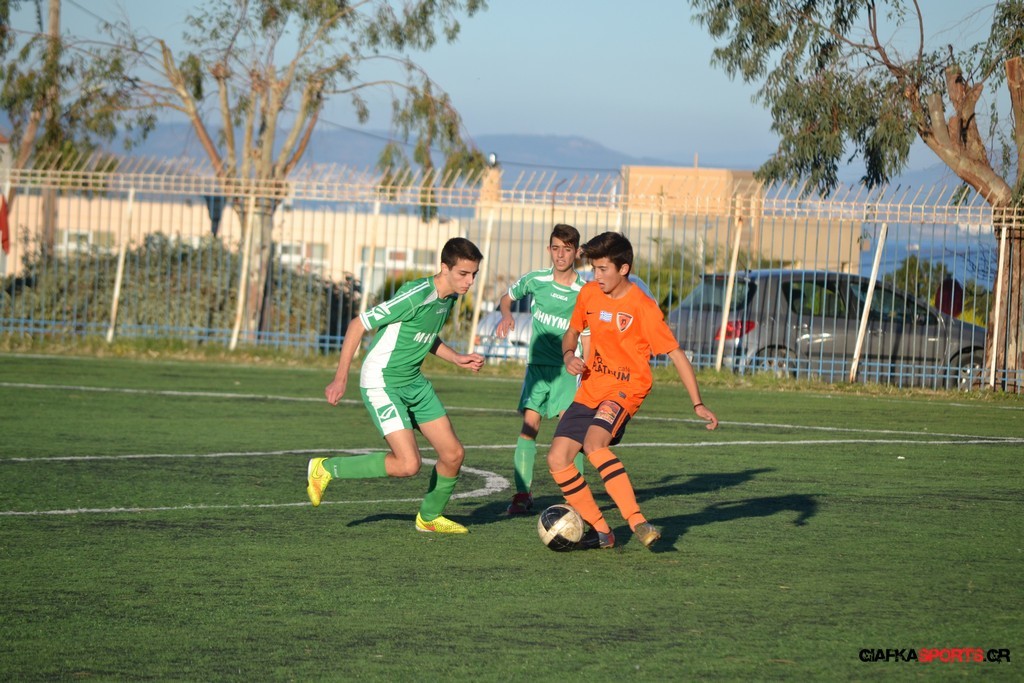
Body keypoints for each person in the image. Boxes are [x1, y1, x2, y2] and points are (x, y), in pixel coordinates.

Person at [548, 231, 719, 550]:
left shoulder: (643, 307)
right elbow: (572, 332)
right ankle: (603, 532)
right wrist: (569, 356)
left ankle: (637, 522)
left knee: (594, 444)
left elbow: (676, 354)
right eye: (594, 269)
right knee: (558, 459)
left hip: (626, 389)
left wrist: (697, 403)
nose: (596, 276)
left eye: (603, 269)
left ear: (623, 268)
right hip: (590, 388)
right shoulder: (589, 294)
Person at [307, 237, 486, 534]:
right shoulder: (416, 295)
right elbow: (358, 324)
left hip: (413, 381)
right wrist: (340, 378)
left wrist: (456, 358)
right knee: (407, 464)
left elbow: (424, 335)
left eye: (474, 275)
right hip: (382, 381)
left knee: (453, 454)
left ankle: (429, 518)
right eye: (463, 274)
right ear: (444, 268)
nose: (469, 281)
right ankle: (325, 468)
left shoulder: (450, 297)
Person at [495, 224, 588, 515]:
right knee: (529, 428)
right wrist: (507, 316)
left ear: (577, 253)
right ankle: (522, 494)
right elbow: (506, 298)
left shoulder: (583, 291)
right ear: (549, 249)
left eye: (567, 249)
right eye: (556, 248)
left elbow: (589, 331)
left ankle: (575, 499)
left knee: (570, 435)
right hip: (536, 369)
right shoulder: (536, 279)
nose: (560, 255)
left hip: (566, 371)